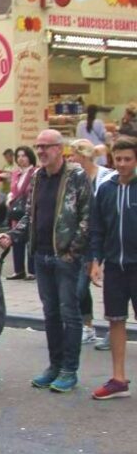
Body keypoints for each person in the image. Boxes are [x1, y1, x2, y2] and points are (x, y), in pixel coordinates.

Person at [0, 129, 91, 393]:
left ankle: (69, 370)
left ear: (59, 149)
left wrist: (73, 250)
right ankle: (54, 366)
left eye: (46, 147)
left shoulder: (76, 176)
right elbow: (30, 214)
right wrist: (14, 236)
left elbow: (86, 216)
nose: (40, 152)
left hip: (65, 257)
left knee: (69, 313)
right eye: (37, 147)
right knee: (50, 314)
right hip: (41, 255)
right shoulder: (38, 177)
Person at [89, 135, 137, 399]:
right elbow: (97, 228)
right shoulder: (106, 189)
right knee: (115, 321)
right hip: (115, 267)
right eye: (118, 159)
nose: (122, 164)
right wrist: (96, 260)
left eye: (127, 159)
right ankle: (119, 380)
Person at [69, 139, 117, 347]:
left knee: (115, 288)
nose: (70, 159)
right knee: (79, 288)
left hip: (107, 238)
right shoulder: (75, 178)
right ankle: (88, 327)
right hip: (84, 240)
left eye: (73, 155)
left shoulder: (106, 176)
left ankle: (113, 330)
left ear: (83, 156)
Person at [5, 145, 38, 281]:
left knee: (30, 239)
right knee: (16, 238)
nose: (21, 158)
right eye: (18, 156)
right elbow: (13, 190)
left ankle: (32, 270)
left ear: (30, 157)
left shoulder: (35, 172)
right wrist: (9, 197)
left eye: (24, 155)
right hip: (16, 210)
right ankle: (18, 270)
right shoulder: (16, 173)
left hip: (30, 210)